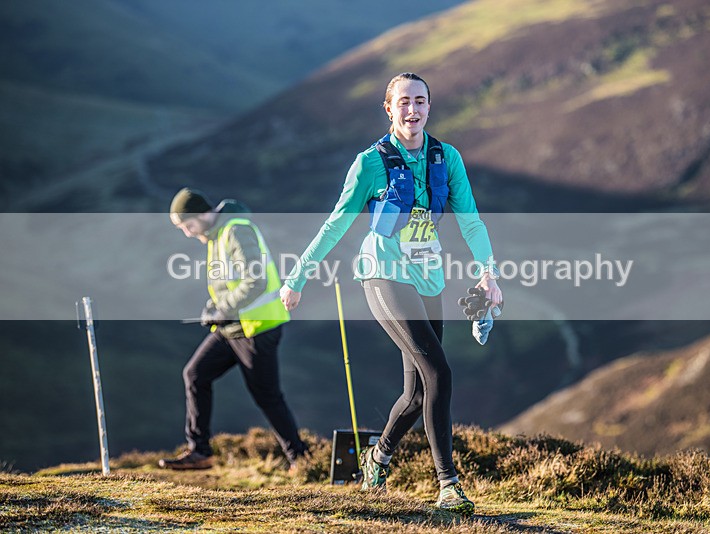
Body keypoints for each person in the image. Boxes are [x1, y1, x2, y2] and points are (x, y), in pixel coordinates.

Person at [280, 73, 502, 514]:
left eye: (420, 101)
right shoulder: (370, 163)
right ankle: (448, 486)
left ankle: (377, 458)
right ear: (388, 108)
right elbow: (336, 223)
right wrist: (297, 278)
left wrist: (488, 274)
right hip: (383, 273)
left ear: (429, 106)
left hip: (428, 278)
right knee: (439, 372)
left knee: (418, 393)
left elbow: (471, 221)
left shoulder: (447, 158)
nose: (412, 110)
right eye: (403, 102)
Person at [160, 187, 307, 470]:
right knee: (195, 374)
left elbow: (255, 280)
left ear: (200, 214)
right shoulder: (217, 235)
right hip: (233, 327)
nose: (187, 233)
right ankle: (200, 452)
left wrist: (222, 309)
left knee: (267, 396)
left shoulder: (236, 231)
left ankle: (299, 460)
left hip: (257, 327)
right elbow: (227, 283)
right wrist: (213, 309)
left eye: (187, 225)